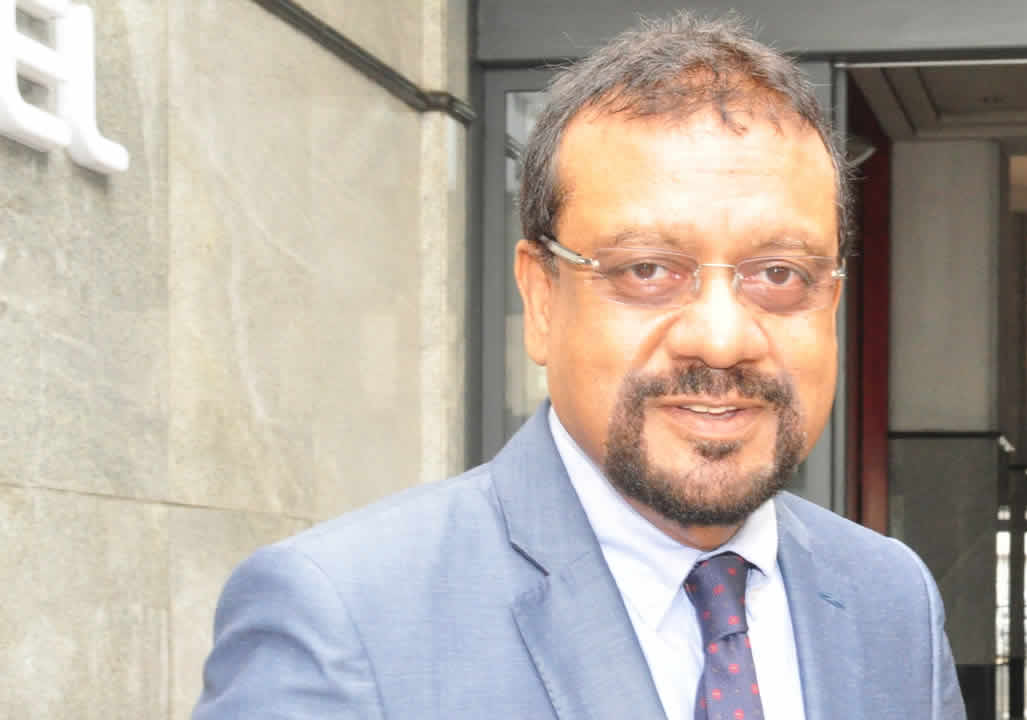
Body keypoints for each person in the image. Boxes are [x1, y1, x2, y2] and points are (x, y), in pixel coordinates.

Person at [192, 13, 965, 719]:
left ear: (831, 302)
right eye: (647, 270)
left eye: (779, 274)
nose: (723, 338)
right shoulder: (344, 622)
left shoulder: (890, 598)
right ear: (541, 298)